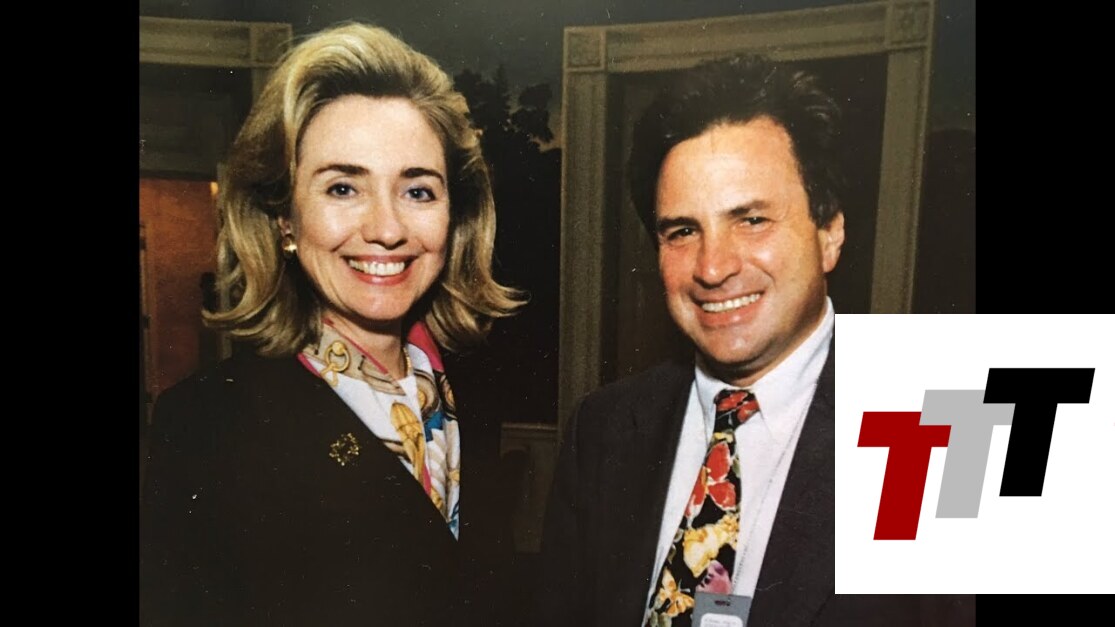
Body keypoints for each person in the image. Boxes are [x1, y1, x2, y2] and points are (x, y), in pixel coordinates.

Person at [535, 55, 974, 626]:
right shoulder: (604, 430)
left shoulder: (952, 425)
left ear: (829, 232)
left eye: (752, 220)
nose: (713, 267)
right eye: (683, 231)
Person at [140, 23, 524, 625]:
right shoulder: (208, 424)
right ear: (284, 220)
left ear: (454, 216)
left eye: (418, 191)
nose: (387, 229)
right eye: (343, 188)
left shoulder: (470, 391)